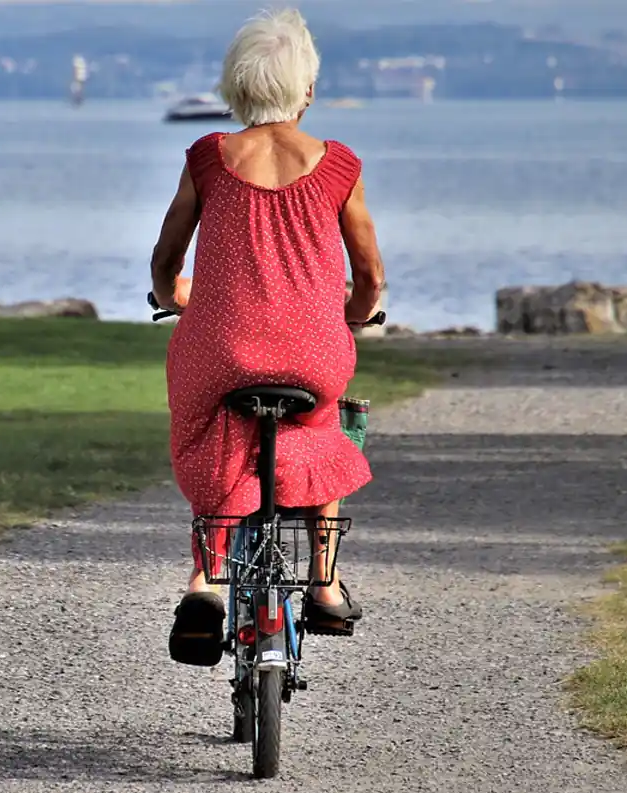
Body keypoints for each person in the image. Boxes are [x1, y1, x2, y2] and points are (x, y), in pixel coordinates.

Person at [148, 8, 387, 667]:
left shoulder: (208, 159)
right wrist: (359, 312)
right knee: (321, 429)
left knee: (213, 428)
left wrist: (174, 296)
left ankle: (205, 582)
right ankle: (325, 582)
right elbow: (368, 273)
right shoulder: (339, 166)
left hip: (221, 350)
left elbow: (167, 257)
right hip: (312, 353)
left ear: (236, 88)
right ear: (306, 89)